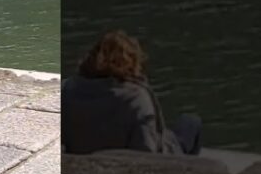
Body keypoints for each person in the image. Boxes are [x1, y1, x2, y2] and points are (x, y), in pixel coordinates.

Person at [64, 31, 201, 156]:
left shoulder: (68, 90)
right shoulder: (136, 98)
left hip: (86, 154)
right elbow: (147, 149)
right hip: (150, 156)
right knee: (191, 121)